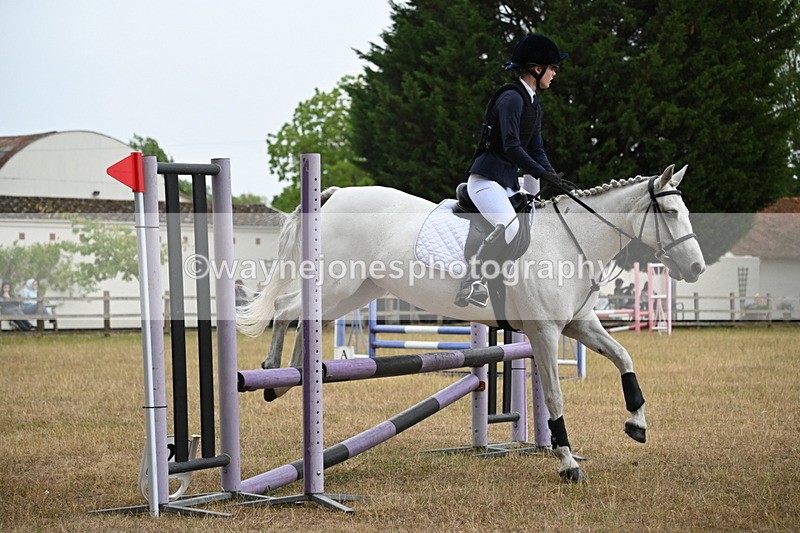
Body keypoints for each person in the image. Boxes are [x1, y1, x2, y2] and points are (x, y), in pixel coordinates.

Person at [455, 33, 573, 308]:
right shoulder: (511, 98)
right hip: (485, 179)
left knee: (532, 224)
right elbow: (510, 147)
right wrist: (541, 174)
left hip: (507, 182)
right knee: (507, 225)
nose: (555, 74)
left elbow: (536, 149)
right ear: (537, 68)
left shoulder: (533, 103)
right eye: (553, 68)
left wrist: (556, 178)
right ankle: (473, 282)